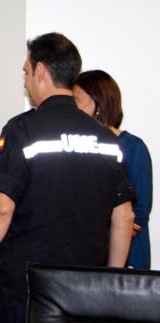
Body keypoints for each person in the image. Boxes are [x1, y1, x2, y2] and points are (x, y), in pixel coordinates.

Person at [0, 33, 135, 323]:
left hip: (25, 288)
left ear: (41, 71)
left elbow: (2, 206)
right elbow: (123, 216)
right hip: (84, 289)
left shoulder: (22, 129)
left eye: (26, 71)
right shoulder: (106, 138)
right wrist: (110, 281)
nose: (25, 80)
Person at [74, 69, 153, 269]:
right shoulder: (80, 148)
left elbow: (140, 210)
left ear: (97, 103)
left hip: (127, 257)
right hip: (88, 255)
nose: (72, 108)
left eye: (77, 100)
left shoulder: (132, 147)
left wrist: (111, 242)